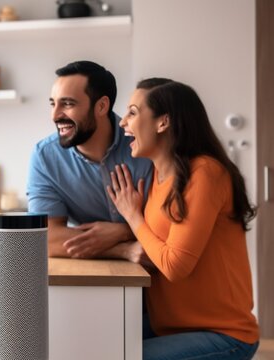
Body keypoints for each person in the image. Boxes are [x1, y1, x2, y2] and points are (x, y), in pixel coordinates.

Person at [107, 78, 259, 359]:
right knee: (96, 339)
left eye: (132, 112)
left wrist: (133, 216)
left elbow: (175, 266)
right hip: (171, 327)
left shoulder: (205, 173)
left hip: (224, 335)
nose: (122, 122)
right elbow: (156, 251)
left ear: (163, 122)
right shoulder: (159, 178)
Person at [27, 60, 152, 259]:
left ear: (101, 106)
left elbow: (170, 226)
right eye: (53, 103)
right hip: (98, 277)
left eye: (67, 104)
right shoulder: (45, 157)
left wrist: (122, 231)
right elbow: (44, 238)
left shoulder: (146, 147)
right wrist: (123, 249)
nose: (55, 115)